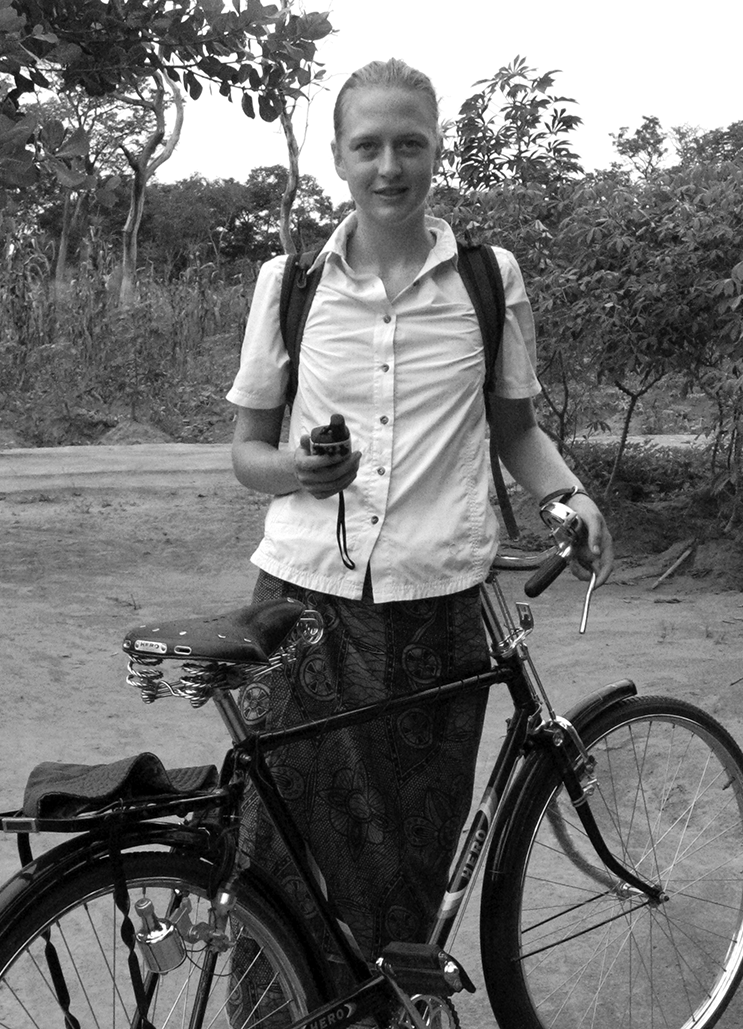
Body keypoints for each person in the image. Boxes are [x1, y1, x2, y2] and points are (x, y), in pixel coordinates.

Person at [225, 57, 613, 987]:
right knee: (280, 847)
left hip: (440, 609)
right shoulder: (291, 285)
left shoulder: (488, 281)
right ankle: (274, 1013)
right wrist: (302, 471)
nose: (390, 166)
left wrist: (571, 498)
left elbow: (515, 430)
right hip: (303, 602)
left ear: (439, 149)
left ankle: (385, 1009)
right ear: (338, 157)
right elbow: (248, 455)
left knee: (410, 844)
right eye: (369, 146)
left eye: (410, 143)